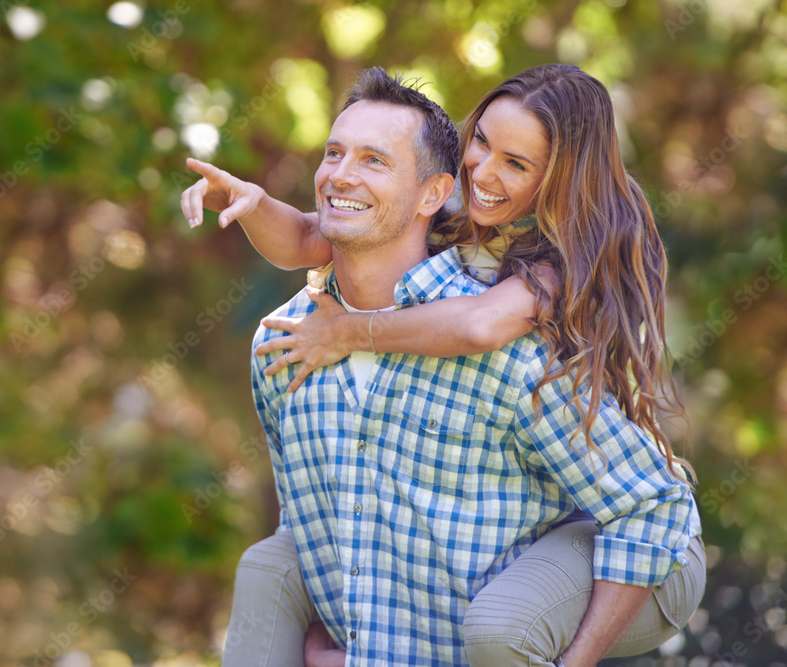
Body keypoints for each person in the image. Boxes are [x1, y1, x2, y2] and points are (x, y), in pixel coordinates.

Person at [184, 65, 704, 666]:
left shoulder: (545, 280)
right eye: (480, 143)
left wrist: (348, 332)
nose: (483, 171)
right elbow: (312, 231)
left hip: (630, 533)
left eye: (516, 164)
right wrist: (252, 203)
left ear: (555, 180)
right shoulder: (291, 340)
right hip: (532, 537)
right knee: (270, 564)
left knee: (501, 625)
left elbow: (475, 326)